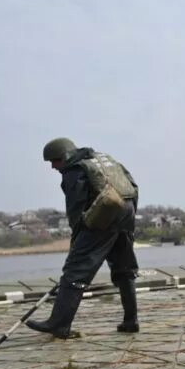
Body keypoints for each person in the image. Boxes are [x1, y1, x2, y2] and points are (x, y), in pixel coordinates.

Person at [26, 138, 140, 338]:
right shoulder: (104, 160)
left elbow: (76, 210)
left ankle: (59, 324)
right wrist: (127, 222)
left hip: (105, 213)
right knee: (125, 268)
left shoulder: (74, 169)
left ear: (64, 156)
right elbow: (132, 185)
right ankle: (131, 321)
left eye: (54, 161)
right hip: (127, 211)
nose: (53, 167)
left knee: (75, 270)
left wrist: (77, 243)